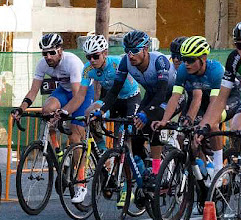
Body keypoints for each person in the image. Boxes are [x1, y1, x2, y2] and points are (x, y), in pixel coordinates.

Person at [11, 33, 94, 203]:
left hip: (82, 93)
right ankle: (59, 153)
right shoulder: (42, 64)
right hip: (64, 90)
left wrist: (63, 113)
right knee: (47, 110)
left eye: (52, 53)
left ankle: (81, 184)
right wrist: (21, 109)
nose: (48, 57)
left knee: (75, 135)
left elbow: (77, 96)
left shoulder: (71, 62)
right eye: (44, 53)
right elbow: (33, 91)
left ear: (60, 51)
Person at [97, 30, 185, 186]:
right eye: (127, 51)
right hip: (151, 96)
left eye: (135, 51)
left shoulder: (159, 61)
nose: (131, 55)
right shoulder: (126, 62)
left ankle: (156, 172)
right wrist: (102, 110)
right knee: (134, 128)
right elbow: (115, 90)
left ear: (145, 49)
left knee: (154, 121)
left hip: (171, 96)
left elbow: (161, 93)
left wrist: (145, 113)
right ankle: (144, 168)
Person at [152, 35, 241, 175]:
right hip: (207, 100)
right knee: (184, 133)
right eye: (184, 59)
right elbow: (175, 97)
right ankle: (200, 172)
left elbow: (215, 103)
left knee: (212, 124)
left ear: (203, 58)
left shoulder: (215, 70)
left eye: (191, 60)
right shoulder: (183, 70)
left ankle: (218, 168)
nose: (186, 63)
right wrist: (164, 120)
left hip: (228, 97)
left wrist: (203, 126)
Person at [82, 35, 141, 151]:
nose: (92, 60)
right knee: (89, 114)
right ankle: (102, 152)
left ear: (104, 53)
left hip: (131, 98)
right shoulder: (88, 69)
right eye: (89, 57)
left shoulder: (117, 63)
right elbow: (80, 94)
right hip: (112, 99)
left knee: (124, 138)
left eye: (95, 56)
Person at [195, 22, 241, 138]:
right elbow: (221, 99)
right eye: (239, 46)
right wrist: (206, 125)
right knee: (236, 128)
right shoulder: (234, 59)